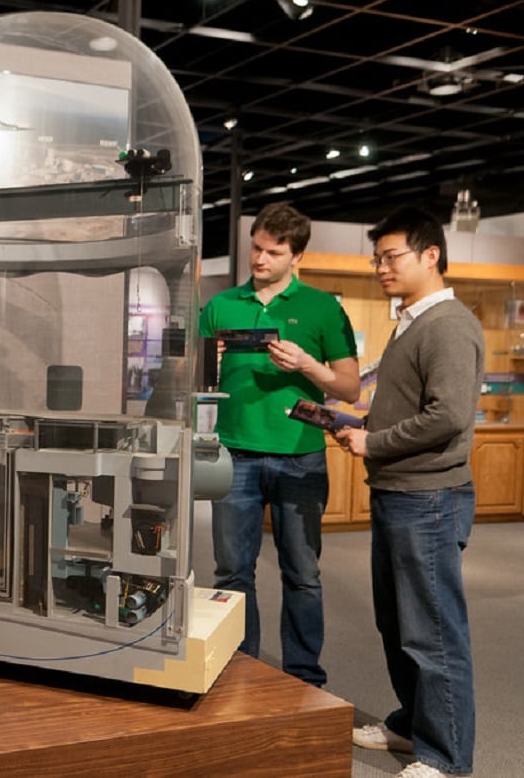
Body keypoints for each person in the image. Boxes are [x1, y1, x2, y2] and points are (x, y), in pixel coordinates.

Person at [336, 207, 484, 777]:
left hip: (429, 500)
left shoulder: (447, 324)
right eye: (377, 258)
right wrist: (363, 425)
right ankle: (411, 724)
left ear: (431, 255)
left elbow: (448, 416)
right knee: (398, 625)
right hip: (399, 493)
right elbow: (414, 406)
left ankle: (445, 757)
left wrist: (373, 442)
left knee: (433, 633)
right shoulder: (410, 322)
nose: (381, 267)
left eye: (391, 256)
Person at [198, 202, 360, 686]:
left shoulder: (323, 307)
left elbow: (350, 387)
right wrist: (209, 362)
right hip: (234, 454)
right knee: (231, 571)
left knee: (303, 574)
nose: (260, 258)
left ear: (297, 257)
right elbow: (194, 380)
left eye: (273, 252)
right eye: (256, 247)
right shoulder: (220, 305)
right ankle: (239, 666)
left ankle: (303, 677)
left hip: (301, 456)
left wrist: (307, 364)